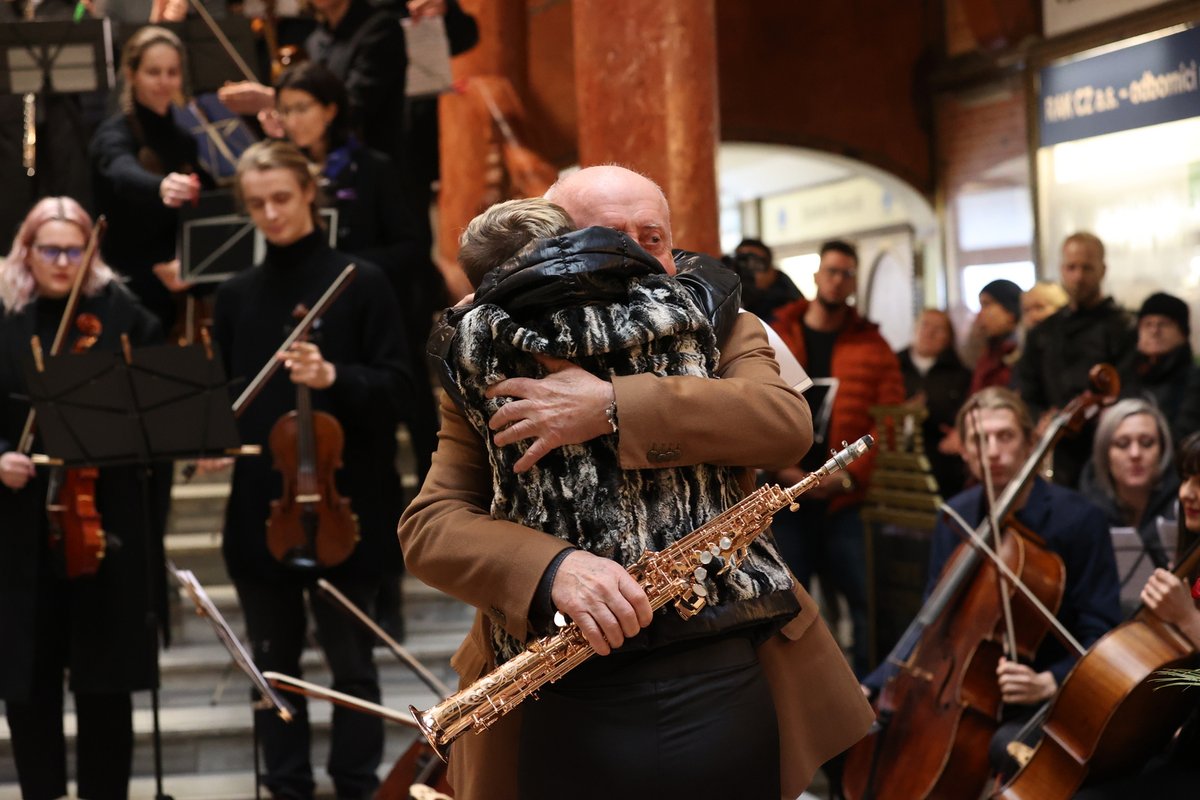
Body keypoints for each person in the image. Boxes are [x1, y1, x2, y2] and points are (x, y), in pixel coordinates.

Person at [399, 165, 874, 800]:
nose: (631, 257)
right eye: (605, 236)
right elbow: (431, 525)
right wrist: (551, 570)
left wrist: (612, 405)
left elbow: (785, 427)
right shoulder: (482, 352)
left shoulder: (722, 318)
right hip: (558, 682)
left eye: (651, 238)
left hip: (723, 664)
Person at [206, 140, 410, 800]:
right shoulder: (235, 295)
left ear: (309, 194)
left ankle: (356, 786)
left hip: (348, 499)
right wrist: (215, 435)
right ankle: (285, 787)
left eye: (282, 199)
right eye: (256, 204)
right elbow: (229, 398)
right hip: (262, 506)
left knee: (352, 667)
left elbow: (398, 389)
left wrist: (335, 376)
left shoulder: (360, 281)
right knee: (272, 667)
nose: (270, 213)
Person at [862, 387, 1121, 786]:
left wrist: (1049, 681)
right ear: (963, 450)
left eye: (1005, 436)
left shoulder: (1079, 520)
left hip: (1049, 694)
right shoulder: (957, 515)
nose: (993, 451)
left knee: (1000, 747)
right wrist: (875, 684)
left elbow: (1102, 631)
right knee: (859, 737)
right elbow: (932, 619)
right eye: (980, 440)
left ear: (1030, 442)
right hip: (959, 692)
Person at [0, 197, 169, 800]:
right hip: (19, 537)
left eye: (76, 249)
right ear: (27, 251)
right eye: (51, 250)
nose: (64, 262)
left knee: (106, 687)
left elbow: (160, 408)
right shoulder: (6, 319)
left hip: (106, 530)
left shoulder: (123, 315)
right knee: (30, 688)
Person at [273, 60, 444, 485]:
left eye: (302, 108)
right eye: (285, 111)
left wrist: (351, 266)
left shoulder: (373, 169)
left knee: (413, 411)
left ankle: (433, 504)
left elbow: (411, 248)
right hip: (312, 316)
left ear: (330, 110)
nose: (293, 121)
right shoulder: (280, 178)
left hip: (378, 310)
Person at [767, 239, 907, 675]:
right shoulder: (777, 333)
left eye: (846, 273)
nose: (837, 280)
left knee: (863, 600)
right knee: (789, 607)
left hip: (844, 500)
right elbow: (754, 408)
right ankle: (807, 702)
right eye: (831, 271)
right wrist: (778, 468)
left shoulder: (872, 344)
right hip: (784, 493)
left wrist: (847, 479)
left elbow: (887, 425)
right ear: (816, 276)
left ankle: (870, 693)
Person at [1072, 430, 1200, 798]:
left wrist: (1188, 619)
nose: (1187, 492)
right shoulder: (1193, 563)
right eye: (1186, 478)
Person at [89, 26, 216, 334]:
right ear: (131, 74)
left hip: (176, 263)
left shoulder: (183, 137)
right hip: (130, 271)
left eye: (172, 72)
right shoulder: (114, 133)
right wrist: (161, 186)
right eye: (153, 72)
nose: (164, 82)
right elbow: (121, 171)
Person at [218, 0, 409, 165]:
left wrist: (276, 101)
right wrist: (281, 118)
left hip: (374, 168)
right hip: (328, 166)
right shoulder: (316, 39)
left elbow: (353, 107)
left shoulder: (381, 29)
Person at [1015, 232, 1134, 488]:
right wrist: (1040, 418)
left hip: (1105, 449)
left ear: (1102, 270)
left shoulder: (1123, 328)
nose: (1078, 277)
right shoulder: (1043, 332)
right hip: (1056, 451)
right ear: (1061, 270)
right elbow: (1026, 388)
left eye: (1087, 268)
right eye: (1071, 268)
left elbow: (1129, 390)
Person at [1080, 399, 1179, 614]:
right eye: (1122, 444)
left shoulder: (1186, 508)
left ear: (1162, 450)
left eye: (1147, 443)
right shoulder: (1086, 515)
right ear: (1105, 454)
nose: (1135, 454)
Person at [898, 308, 971, 497]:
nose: (929, 333)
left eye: (938, 329)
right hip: (896, 459)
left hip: (942, 463)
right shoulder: (894, 365)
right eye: (925, 325)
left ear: (948, 338)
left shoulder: (961, 374)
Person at [1118, 292, 1200, 444]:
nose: (1154, 331)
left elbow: (1186, 434)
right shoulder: (1125, 375)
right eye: (1147, 324)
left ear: (1182, 334)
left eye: (1164, 324)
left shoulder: (1194, 379)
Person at [730, 237, 802, 322]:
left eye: (755, 263)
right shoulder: (734, 299)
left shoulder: (790, 307)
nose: (747, 272)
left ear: (772, 271)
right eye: (741, 263)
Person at [970, 278, 1022, 394]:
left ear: (1010, 311)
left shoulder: (1025, 353)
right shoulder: (988, 353)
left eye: (986, 304)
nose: (980, 313)